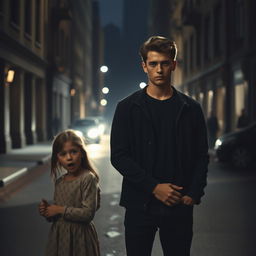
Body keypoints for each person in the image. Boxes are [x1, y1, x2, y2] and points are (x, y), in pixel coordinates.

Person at [110, 36, 209, 256]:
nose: (159, 69)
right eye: (153, 64)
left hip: (178, 204)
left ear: (173, 64)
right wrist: (154, 187)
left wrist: (194, 192)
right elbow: (119, 156)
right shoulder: (127, 108)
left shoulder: (191, 108)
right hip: (139, 204)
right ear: (144, 66)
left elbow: (201, 155)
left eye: (164, 63)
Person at [38, 130, 100, 256]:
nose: (69, 157)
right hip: (59, 239)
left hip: (81, 239)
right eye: (63, 154)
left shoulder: (88, 178)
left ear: (82, 153)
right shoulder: (59, 182)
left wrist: (59, 209)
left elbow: (88, 214)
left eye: (73, 151)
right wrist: (48, 212)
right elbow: (58, 217)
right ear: (58, 159)